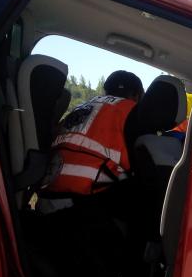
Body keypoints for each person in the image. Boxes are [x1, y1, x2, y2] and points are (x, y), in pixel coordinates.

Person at [42, 70, 144, 198]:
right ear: (136, 95)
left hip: (47, 194)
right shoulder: (131, 111)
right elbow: (142, 163)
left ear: (106, 91)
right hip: (87, 198)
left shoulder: (81, 107)